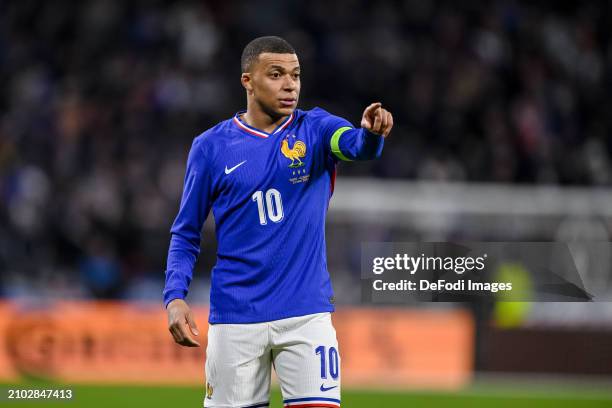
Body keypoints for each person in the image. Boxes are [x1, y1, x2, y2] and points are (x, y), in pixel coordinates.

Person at [163, 36, 393, 408]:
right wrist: (175, 296)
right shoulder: (210, 147)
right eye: (276, 74)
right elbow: (186, 232)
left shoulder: (315, 129)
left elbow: (353, 145)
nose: (290, 85)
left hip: (306, 314)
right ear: (247, 81)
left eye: (296, 75)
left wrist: (370, 134)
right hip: (236, 317)